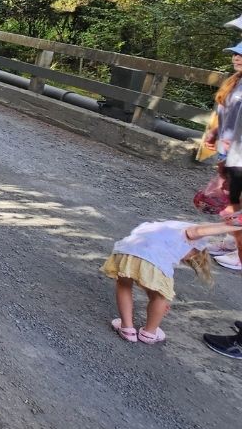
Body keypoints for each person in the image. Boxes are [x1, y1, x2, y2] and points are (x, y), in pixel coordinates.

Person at [102, 218, 242, 343]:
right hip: (148, 256)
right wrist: (232, 225)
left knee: (124, 286)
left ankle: (127, 328)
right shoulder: (192, 233)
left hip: (126, 250)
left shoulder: (167, 229)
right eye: (188, 257)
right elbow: (198, 231)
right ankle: (149, 332)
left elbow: (143, 274)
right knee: (161, 297)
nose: (183, 259)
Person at [203, 41, 242, 269]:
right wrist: (214, 132)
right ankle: (230, 243)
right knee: (231, 200)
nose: (236, 58)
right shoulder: (234, 82)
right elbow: (225, 112)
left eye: (241, 55)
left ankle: (240, 255)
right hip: (228, 150)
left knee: (237, 203)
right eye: (235, 54)